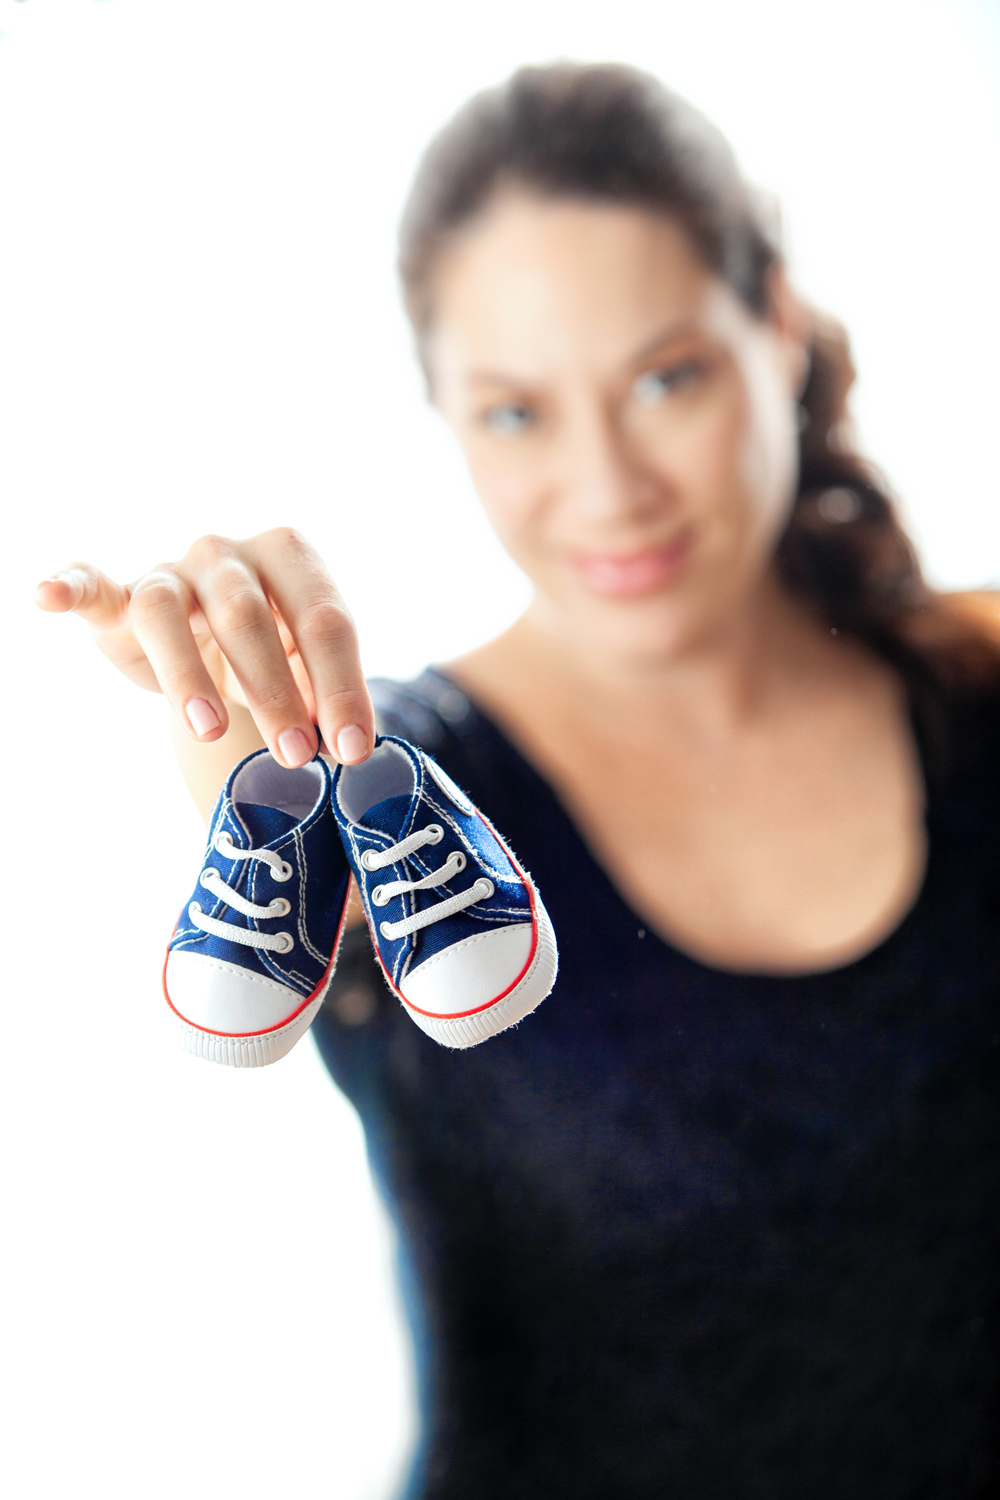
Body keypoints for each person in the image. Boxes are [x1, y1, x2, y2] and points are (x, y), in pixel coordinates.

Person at [35, 63, 1000, 1499]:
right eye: (516, 414)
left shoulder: (977, 687)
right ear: (444, 420)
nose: (610, 486)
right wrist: (257, 750)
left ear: (779, 331)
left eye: (666, 378)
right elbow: (289, 834)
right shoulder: (413, 791)